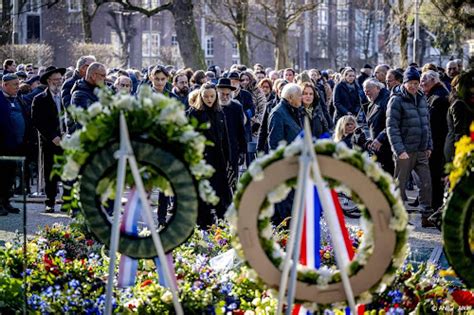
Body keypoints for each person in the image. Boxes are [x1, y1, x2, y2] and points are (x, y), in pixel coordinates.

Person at [387, 66, 434, 227]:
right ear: (405, 82)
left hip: (421, 149)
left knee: (426, 184)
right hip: (404, 151)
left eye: (416, 82)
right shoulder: (396, 99)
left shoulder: (421, 97)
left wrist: (429, 145)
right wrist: (399, 150)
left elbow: (426, 123)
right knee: (400, 185)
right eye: (411, 83)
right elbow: (392, 127)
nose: (414, 86)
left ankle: (427, 216)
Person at [187, 83, 232, 228]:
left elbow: (225, 138)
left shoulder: (220, 113)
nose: (209, 99)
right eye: (206, 96)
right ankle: (204, 225)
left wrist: (229, 159)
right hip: (202, 160)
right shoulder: (194, 113)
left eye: (212, 96)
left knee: (222, 196)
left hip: (219, 160)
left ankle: (223, 225)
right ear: (201, 96)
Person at [31, 66, 67, 213]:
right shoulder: (40, 99)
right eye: (56, 80)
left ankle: (67, 201)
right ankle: (50, 201)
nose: (59, 82)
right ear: (48, 81)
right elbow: (37, 121)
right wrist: (53, 136)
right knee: (51, 172)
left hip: (67, 139)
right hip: (50, 141)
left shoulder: (66, 95)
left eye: (60, 79)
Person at [0, 73, 28, 216]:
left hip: (17, 145)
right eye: (15, 85)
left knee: (11, 175)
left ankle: (6, 201)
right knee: (1, 175)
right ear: (5, 85)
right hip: (3, 146)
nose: (18, 87)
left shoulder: (18, 98)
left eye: (18, 84)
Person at [216, 78, 247, 190]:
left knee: (233, 181)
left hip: (232, 150)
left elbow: (241, 131)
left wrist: (243, 151)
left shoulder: (236, 107)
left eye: (227, 94)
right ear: (217, 92)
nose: (225, 97)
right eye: (222, 94)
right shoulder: (213, 107)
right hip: (216, 151)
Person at [363, 79, 394, 174]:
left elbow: (392, 122)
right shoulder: (374, 101)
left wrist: (381, 138)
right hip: (378, 146)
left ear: (377, 88)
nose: (366, 93)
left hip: (387, 145)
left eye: (368, 90)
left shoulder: (386, 99)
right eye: (365, 91)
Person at [444, 70, 474, 162]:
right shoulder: (459, 104)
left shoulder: (463, 102)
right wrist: (461, 152)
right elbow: (459, 131)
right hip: (457, 147)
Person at [268, 83, 303, 150]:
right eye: (299, 95)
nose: (302, 98)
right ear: (290, 98)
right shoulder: (277, 113)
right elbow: (275, 143)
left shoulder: (295, 110)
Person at [239, 71, 266, 137]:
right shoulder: (237, 92)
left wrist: (257, 124)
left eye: (247, 79)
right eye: (242, 80)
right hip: (240, 127)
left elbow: (263, 110)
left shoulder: (258, 92)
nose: (244, 82)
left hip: (254, 128)